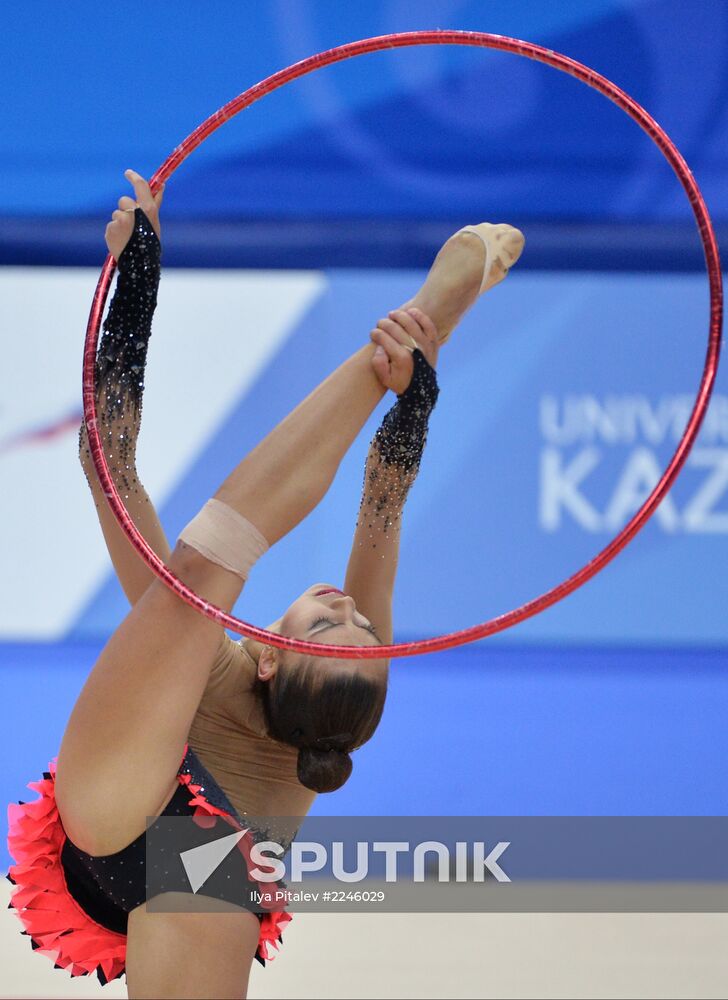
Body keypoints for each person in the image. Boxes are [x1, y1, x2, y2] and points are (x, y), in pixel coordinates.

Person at [7, 169, 524, 998]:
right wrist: (414, 407)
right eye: (362, 623)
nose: (343, 604)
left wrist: (135, 279)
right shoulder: (343, 697)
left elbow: (107, 461)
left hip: (140, 823)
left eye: (327, 622)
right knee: (198, 582)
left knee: (203, 570)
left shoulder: (218, 661)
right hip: (211, 863)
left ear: (276, 658)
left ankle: (398, 341)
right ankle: (417, 334)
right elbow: (382, 518)